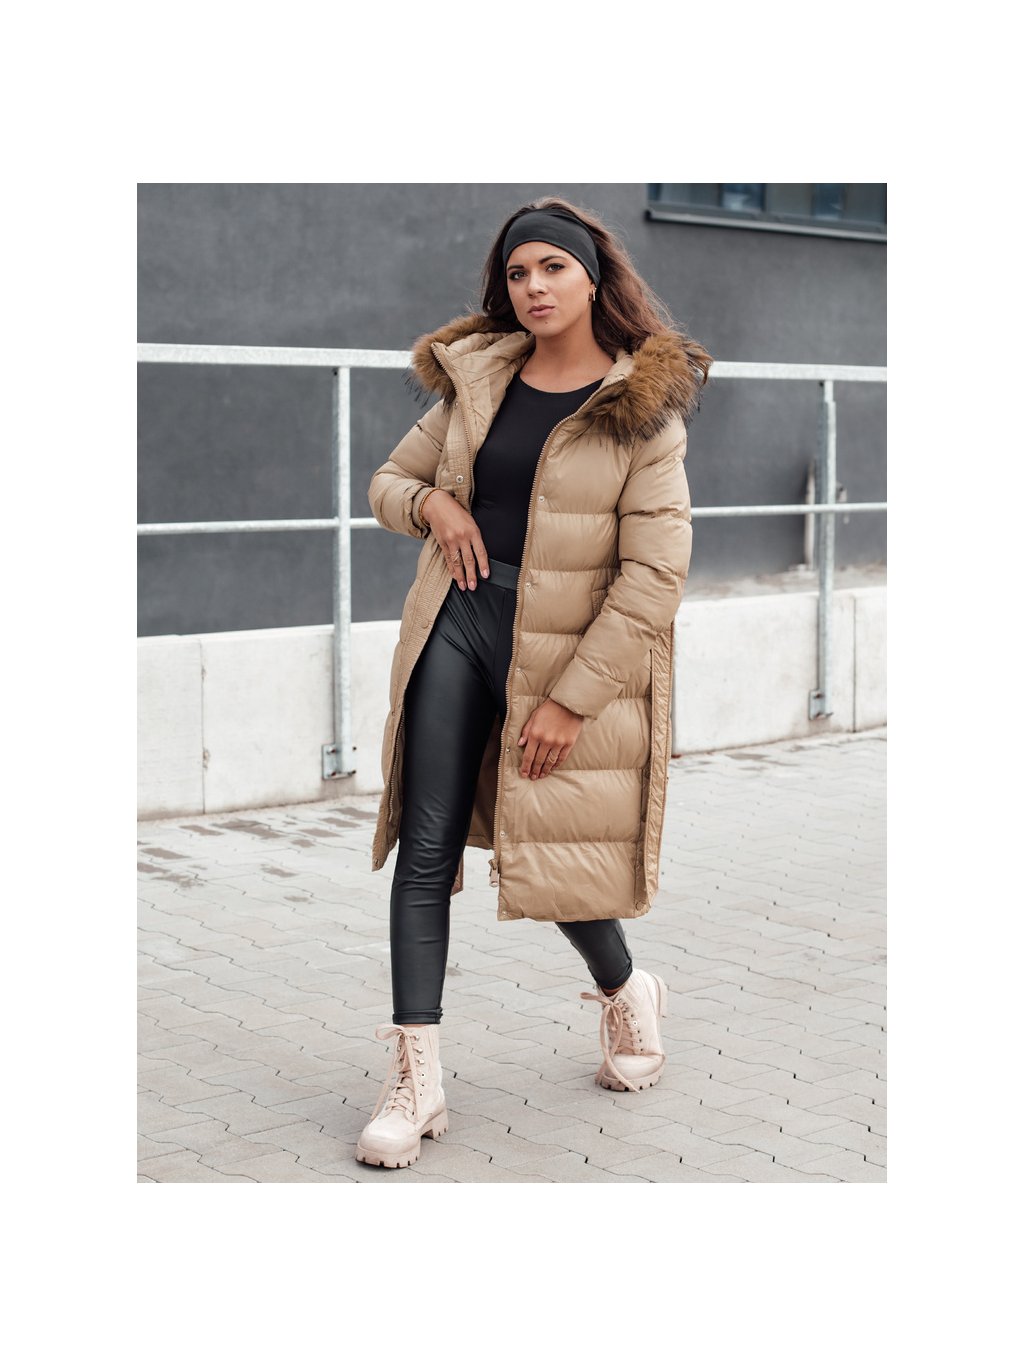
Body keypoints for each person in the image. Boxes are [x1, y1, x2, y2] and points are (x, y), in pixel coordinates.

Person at [360, 197, 712, 1169]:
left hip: (562, 654)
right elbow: (387, 482)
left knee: (546, 851)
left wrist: (571, 700)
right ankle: (416, 1080)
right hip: (458, 622)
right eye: (517, 273)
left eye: (552, 267)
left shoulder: (640, 408)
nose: (533, 287)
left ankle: (626, 991)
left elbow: (654, 576)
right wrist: (434, 505)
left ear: (592, 279)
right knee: (426, 843)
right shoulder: (480, 379)